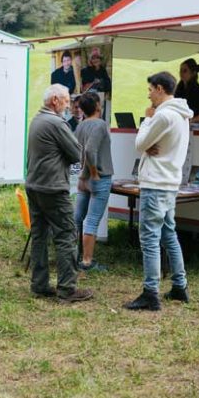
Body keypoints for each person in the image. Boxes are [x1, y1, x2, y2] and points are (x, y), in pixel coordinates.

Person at [126, 71, 194, 311]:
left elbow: (139, 144)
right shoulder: (181, 115)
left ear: (160, 89)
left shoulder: (163, 116)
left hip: (155, 184)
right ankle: (179, 286)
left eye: (150, 89)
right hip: (169, 183)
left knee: (150, 239)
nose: (148, 94)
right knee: (169, 235)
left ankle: (150, 293)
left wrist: (146, 120)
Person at [25, 85, 93, 303]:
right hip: (53, 187)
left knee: (40, 236)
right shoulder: (56, 122)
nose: (69, 105)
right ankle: (67, 288)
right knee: (66, 235)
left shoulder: (37, 119)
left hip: (35, 185)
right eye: (65, 101)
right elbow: (76, 153)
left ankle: (40, 283)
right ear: (55, 100)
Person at [74, 92, 114, 273]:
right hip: (99, 178)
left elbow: (79, 151)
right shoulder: (100, 125)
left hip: (83, 179)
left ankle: (73, 255)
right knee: (92, 220)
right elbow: (90, 150)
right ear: (98, 106)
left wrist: (83, 174)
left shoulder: (81, 126)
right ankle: (87, 261)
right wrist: (94, 172)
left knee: (77, 218)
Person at [175, 57, 199, 124]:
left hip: (195, 128)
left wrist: (191, 120)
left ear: (193, 73)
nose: (181, 73)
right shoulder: (176, 90)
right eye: (180, 70)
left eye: (185, 71)